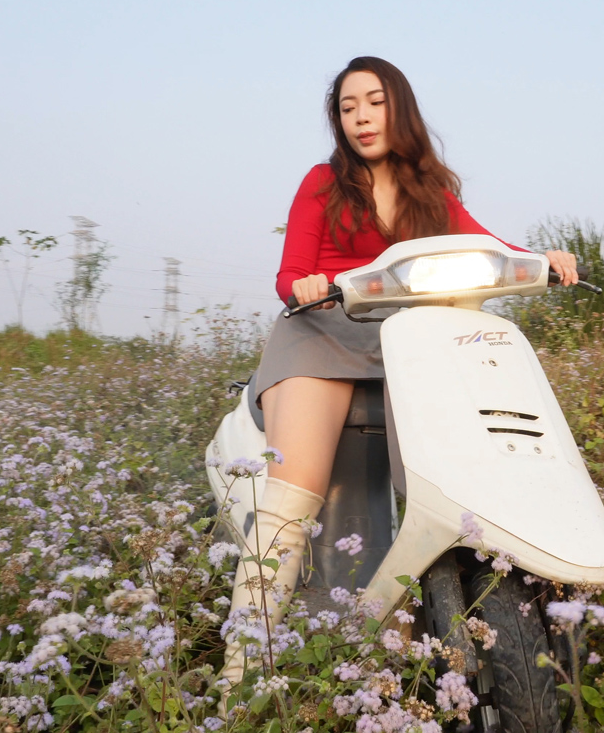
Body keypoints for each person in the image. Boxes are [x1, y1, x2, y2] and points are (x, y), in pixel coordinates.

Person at [219, 56, 578, 697]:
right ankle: (240, 672)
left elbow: (486, 249)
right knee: (293, 497)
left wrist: (540, 260)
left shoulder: (432, 191)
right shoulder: (321, 183)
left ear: (399, 108)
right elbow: (288, 271)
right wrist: (307, 285)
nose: (360, 117)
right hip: (323, 332)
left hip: (409, 344)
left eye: (374, 102)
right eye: (348, 107)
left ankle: (407, 643)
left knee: (454, 477)